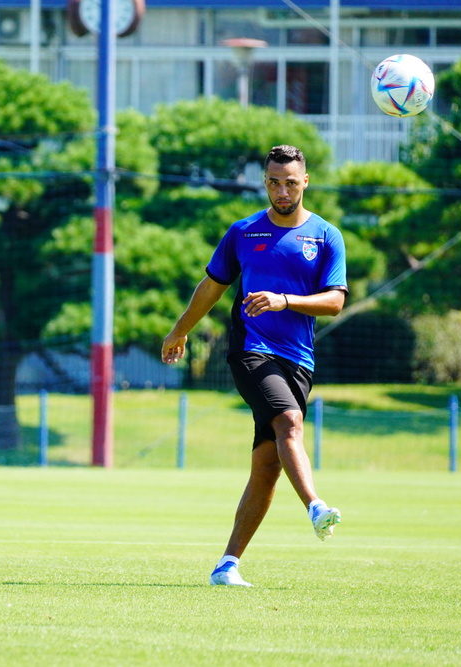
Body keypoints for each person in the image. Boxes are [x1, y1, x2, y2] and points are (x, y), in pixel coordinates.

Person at [161, 145, 347, 587]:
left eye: (290, 183)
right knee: (289, 422)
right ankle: (316, 506)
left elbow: (335, 301)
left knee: (267, 467)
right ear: (264, 182)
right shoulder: (243, 232)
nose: (282, 191)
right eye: (273, 183)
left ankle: (226, 566)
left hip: (299, 360)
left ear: (305, 182)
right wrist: (179, 330)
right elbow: (212, 286)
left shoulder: (326, 235)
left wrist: (285, 300)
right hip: (250, 349)